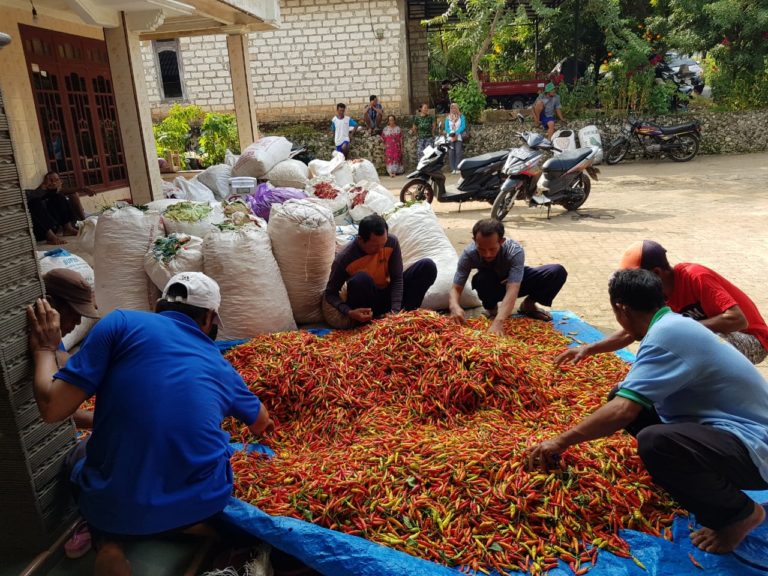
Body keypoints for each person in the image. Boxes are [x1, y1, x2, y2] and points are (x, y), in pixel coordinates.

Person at [27, 272, 272, 576]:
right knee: (203, 472)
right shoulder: (220, 365)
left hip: (114, 509)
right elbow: (262, 423)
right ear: (210, 318)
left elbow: (53, 408)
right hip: (201, 503)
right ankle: (200, 527)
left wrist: (44, 350)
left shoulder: (120, 323)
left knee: (79, 455)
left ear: (158, 305)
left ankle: (108, 543)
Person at [529, 269, 768, 554]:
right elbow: (627, 345)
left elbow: (622, 411)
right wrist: (589, 350)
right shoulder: (671, 323)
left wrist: (561, 441)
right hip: (729, 431)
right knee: (623, 395)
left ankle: (740, 514)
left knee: (655, 441)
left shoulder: (666, 337)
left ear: (621, 309)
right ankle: (688, 478)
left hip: (755, 448)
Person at [555, 240, 768, 366]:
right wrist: (588, 349)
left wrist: (680, 328)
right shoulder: (657, 294)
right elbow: (634, 331)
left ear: (656, 273)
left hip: (752, 339)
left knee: (689, 344)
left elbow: (737, 319)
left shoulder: (695, 276)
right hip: (712, 337)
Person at [449, 219, 567, 335]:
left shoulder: (514, 250)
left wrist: (499, 322)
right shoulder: (469, 254)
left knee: (557, 272)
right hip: (492, 284)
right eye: (481, 249)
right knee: (482, 278)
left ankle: (528, 305)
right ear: (474, 240)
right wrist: (454, 306)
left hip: (515, 281)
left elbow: (513, 288)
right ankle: (491, 309)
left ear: (501, 241)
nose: (487, 254)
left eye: (492, 249)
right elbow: (456, 287)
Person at [324, 214, 437, 325]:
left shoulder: (391, 242)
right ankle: (371, 324)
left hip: (388, 295)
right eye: (374, 246)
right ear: (360, 240)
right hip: (367, 304)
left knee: (427, 266)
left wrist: (395, 311)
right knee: (361, 279)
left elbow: (397, 279)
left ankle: (405, 317)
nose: (380, 250)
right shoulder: (344, 258)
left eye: (383, 244)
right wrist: (349, 312)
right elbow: (330, 293)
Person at [26, 172, 94, 245]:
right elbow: (32, 196)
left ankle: (68, 229)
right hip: (40, 232)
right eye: (51, 180)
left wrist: (82, 189)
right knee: (35, 201)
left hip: (54, 227)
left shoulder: (53, 194)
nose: (54, 183)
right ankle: (51, 237)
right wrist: (43, 187)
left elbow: (62, 191)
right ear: (45, 182)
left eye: (56, 180)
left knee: (59, 196)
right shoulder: (37, 193)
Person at [444, 103, 466, 174]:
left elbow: (463, 126)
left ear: (457, 108)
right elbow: (446, 127)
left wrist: (456, 133)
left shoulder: (461, 116)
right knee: (451, 153)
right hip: (450, 137)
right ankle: (452, 168)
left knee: (458, 152)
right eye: (452, 108)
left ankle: (457, 168)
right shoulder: (448, 117)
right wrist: (451, 132)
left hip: (458, 136)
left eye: (455, 108)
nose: (453, 109)